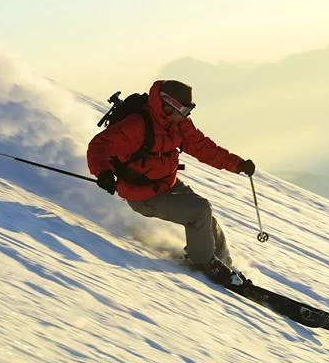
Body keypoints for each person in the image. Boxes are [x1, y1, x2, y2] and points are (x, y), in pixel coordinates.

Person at [87, 80, 255, 289]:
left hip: (166, 184)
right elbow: (99, 145)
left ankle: (224, 266)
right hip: (142, 194)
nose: (186, 115)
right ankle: (203, 263)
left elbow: (203, 148)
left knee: (205, 218)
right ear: (167, 106)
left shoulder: (178, 123)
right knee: (199, 211)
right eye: (183, 109)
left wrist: (237, 164)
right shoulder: (138, 125)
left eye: (189, 110)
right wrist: (103, 172)